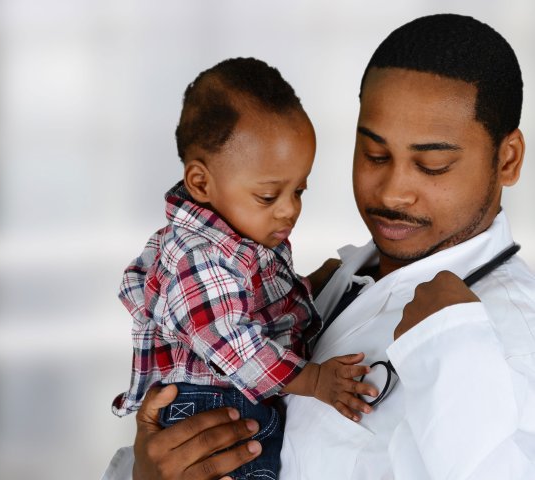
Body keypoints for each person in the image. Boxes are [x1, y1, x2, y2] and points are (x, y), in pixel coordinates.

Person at [102, 14, 535, 480]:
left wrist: (452, 342)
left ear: (507, 159)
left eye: (432, 165)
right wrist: (143, 472)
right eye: (374, 154)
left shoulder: (509, 338)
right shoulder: (333, 281)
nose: (392, 193)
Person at [109, 57, 376, 480]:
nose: (290, 210)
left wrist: (310, 286)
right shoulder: (197, 256)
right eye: (269, 196)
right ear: (201, 183)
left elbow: (253, 306)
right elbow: (235, 343)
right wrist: (316, 382)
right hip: (214, 410)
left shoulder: (239, 238)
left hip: (237, 399)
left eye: (299, 190)